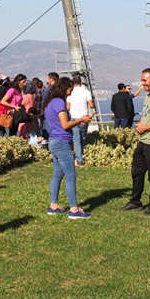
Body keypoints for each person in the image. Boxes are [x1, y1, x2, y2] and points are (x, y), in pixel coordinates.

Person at [119, 68, 150, 216]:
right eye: (142, 80)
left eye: (144, 80)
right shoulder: (148, 97)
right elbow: (147, 114)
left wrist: (145, 127)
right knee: (137, 171)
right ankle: (135, 201)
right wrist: (140, 123)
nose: (142, 84)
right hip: (144, 140)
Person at [43, 76, 93, 219]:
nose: (70, 93)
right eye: (70, 89)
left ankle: (53, 206)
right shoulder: (59, 102)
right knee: (71, 175)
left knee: (58, 174)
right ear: (64, 88)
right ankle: (74, 210)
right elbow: (65, 125)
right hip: (61, 142)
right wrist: (81, 120)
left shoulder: (50, 102)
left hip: (53, 140)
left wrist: (76, 120)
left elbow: (61, 122)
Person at [66, 75, 94, 167]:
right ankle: (80, 156)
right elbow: (91, 105)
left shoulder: (71, 93)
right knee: (83, 138)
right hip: (84, 117)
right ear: (81, 82)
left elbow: (68, 107)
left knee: (76, 139)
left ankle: (79, 159)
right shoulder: (86, 92)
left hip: (74, 118)